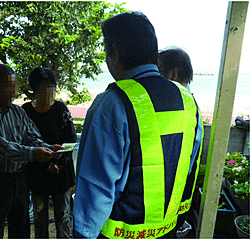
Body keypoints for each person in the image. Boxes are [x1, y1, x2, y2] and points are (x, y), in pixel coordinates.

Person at [72, 12, 203, 239]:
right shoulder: (188, 101)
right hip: (169, 230)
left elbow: (96, 189)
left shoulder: (112, 103)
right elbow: (189, 166)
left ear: (115, 51)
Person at [0, 64, 63, 238]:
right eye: (7, 87)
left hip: (20, 180)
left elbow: (33, 137)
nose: (13, 92)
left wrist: (48, 148)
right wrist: (34, 153)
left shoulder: (18, 112)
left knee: (21, 231)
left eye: (15, 87)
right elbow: (2, 147)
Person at [22, 67, 76, 238]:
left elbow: (71, 140)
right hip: (37, 174)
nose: (48, 92)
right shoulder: (26, 111)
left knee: (62, 215)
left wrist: (58, 164)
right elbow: (23, 140)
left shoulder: (60, 109)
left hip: (61, 172)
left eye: (51, 87)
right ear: (34, 89)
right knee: (39, 217)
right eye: (43, 87)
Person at [158, 47, 204, 237]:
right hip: (177, 200)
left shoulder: (182, 107)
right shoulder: (188, 104)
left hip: (171, 201)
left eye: (159, 71)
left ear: (174, 74)